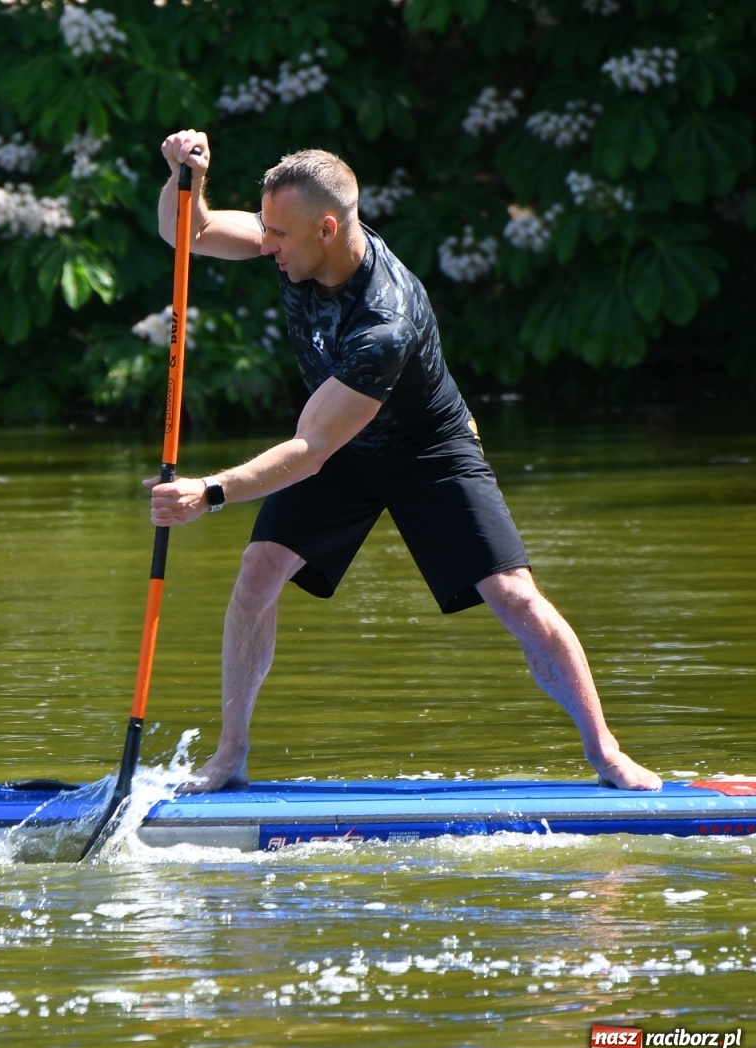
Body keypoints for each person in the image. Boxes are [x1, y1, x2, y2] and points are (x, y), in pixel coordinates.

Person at [149, 131, 660, 792]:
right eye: (266, 227)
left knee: (513, 595)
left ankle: (608, 754)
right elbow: (193, 233)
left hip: (426, 451)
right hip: (343, 446)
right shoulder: (301, 243)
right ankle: (230, 757)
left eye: (277, 233)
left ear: (326, 228)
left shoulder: (384, 321)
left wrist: (211, 492)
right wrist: (181, 177)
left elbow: (308, 451)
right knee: (258, 571)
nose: (264, 244)